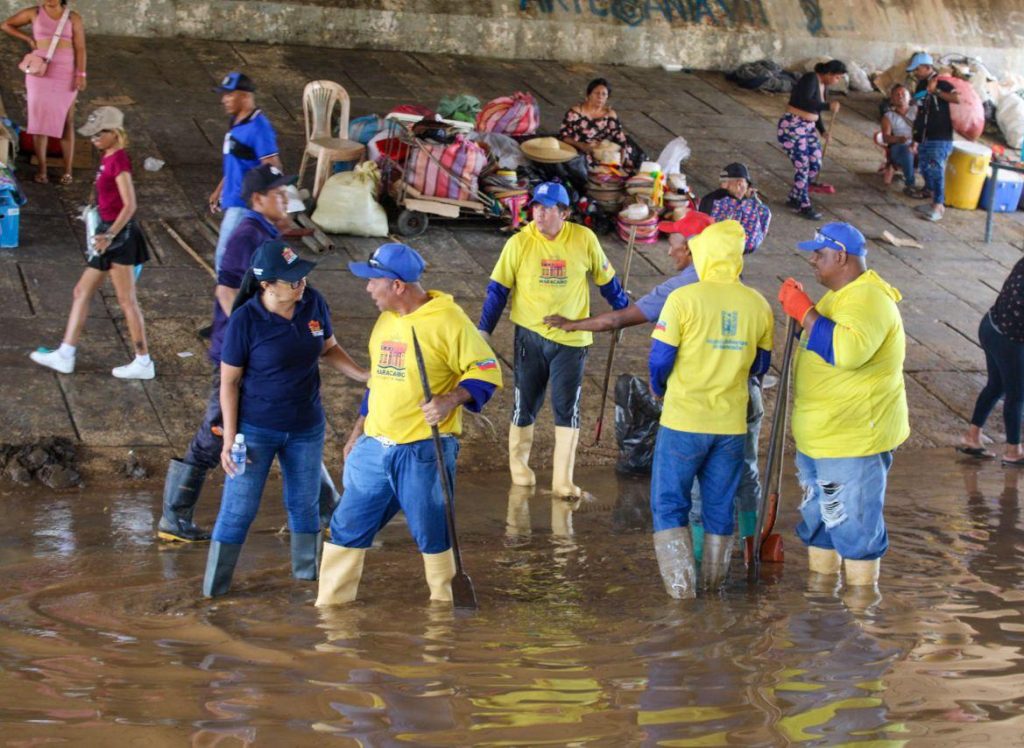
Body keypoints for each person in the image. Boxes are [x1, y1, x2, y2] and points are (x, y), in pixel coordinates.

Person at [544, 211, 766, 559]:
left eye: (674, 243)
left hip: (694, 410)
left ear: (694, 249)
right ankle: (749, 549)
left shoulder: (683, 291)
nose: (669, 250)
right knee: (740, 478)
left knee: (686, 494)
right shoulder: (752, 297)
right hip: (741, 401)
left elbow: (641, 339)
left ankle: (691, 572)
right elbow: (761, 364)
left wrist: (574, 325)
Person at [159, 164, 341, 542]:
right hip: (240, 357)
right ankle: (174, 516)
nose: (285, 200)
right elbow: (226, 291)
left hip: (266, 357)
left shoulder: (269, 233)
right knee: (218, 430)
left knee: (293, 428)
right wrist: (256, 336)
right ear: (257, 199)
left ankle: (330, 510)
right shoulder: (247, 235)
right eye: (277, 194)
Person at [316, 243, 503, 606]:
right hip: (374, 447)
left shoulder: (449, 321)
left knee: (432, 533)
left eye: (374, 281)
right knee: (346, 527)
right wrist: (358, 431)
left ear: (397, 285)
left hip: (423, 450)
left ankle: (445, 611)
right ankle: (330, 611)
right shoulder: (386, 320)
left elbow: (486, 371)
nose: (368, 288)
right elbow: (379, 382)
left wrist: (450, 400)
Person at [203, 240, 368, 597]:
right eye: (293, 281)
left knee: (304, 506)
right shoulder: (246, 320)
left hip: (306, 427)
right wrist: (229, 440)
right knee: (239, 509)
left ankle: (306, 586)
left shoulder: (313, 302)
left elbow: (328, 348)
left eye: (302, 276)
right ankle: (214, 591)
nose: (301, 284)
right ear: (267, 285)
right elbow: (229, 382)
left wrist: (362, 375)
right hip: (255, 431)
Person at [777, 222, 909, 587]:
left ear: (841, 257)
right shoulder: (840, 296)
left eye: (818, 254)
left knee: (854, 529)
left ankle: (862, 608)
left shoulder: (868, 299)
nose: (812, 261)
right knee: (821, 522)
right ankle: (821, 600)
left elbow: (847, 351)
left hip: (853, 440)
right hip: (824, 437)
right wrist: (804, 316)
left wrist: (805, 312)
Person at [478, 181, 628, 500]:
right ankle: (519, 468)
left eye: (547, 208)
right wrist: (483, 331)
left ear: (564, 213)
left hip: (571, 341)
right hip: (529, 337)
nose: (539, 214)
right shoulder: (519, 242)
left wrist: (624, 312)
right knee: (525, 402)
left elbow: (608, 282)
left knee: (566, 406)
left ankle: (563, 480)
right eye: (536, 207)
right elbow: (498, 291)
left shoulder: (584, 239)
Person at [648, 220, 773, 598]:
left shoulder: (683, 299)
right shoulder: (758, 304)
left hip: (684, 421)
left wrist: (659, 388)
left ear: (703, 254)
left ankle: (682, 596)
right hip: (730, 425)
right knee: (719, 507)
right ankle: (714, 590)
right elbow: (761, 365)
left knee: (670, 505)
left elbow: (660, 359)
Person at [30, 107, 154, 379]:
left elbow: (130, 204)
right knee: (81, 291)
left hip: (118, 238)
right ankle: (66, 353)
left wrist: (110, 235)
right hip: (106, 234)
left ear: (115, 133)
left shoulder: (118, 161)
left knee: (126, 300)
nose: (94, 139)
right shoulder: (107, 156)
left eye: (99, 134)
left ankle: (143, 361)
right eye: (93, 134)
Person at [2, 0, 86, 184]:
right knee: (39, 121)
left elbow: (80, 48)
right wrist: (28, 39)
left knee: (67, 121)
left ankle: (68, 170)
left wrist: (81, 74)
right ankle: (42, 170)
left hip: (65, 72)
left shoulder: (73, 18)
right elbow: (6, 25)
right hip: (39, 71)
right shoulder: (34, 13)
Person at [208, 72, 282, 272]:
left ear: (245, 96)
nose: (224, 100)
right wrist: (220, 190)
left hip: (244, 204)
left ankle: (228, 291)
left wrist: (269, 203)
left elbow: (272, 166)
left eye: (229, 94)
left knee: (225, 258)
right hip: (233, 199)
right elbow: (237, 163)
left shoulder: (259, 128)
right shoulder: (237, 122)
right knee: (237, 257)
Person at [959, 256, 1024, 465]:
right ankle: (1013, 451)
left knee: (996, 386)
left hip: (990, 326)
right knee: (1017, 394)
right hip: (1008, 340)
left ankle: (972, 437)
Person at [777, 60, 846, 220]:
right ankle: (804, 205)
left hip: (808, 128)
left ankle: (795, 196)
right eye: (837, 77)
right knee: (803, 167)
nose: (837, 81)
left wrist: (822, 130)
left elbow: (815, 110)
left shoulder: (823, 85)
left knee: (815, 163)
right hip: (793, 127)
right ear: (828, 73)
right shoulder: (810, 78)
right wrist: (828, 106)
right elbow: (804, 102)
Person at [908, 52, 960, 222]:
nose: (915, 73)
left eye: (917, 69)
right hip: (925, 136)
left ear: (927, 67)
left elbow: (956, 98)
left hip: (940, 137)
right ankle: (932, 201)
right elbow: (920, 112)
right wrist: (915, 139)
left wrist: (935, 91)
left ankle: (939, 205)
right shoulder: (921, 85)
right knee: (925, 168)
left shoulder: (941, 83)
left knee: (935, 169)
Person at [559, 77, 640, 172]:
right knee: (583, 163)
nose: (600, 97)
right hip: (579, 148)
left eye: (604, 94)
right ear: (589, 94)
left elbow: (620, 139)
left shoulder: (610, 114)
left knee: (627, 153)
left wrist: (620, 161)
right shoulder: (576, 113)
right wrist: (581, 145)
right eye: (596, 93)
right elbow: (563, 136)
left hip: (600, 150)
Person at [697, 162, 772, 254]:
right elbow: (750, 243)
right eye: (746, 186)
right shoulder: (736, 205)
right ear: (739, 184)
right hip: (722, 255)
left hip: (703, 252)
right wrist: (752, 200)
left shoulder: (707, 199)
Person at [880, 84, 918, 192]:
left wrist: (915, 142)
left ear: (909, 97)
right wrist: (898, 139)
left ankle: (931, 187)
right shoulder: (888, 116)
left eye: (903, 94)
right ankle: (910, 184)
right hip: (900, 146)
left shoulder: (917, 111)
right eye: (897, 94)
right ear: (892, 99)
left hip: (917, 143)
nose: (900, 96)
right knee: (907, 151)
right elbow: (885, 138)